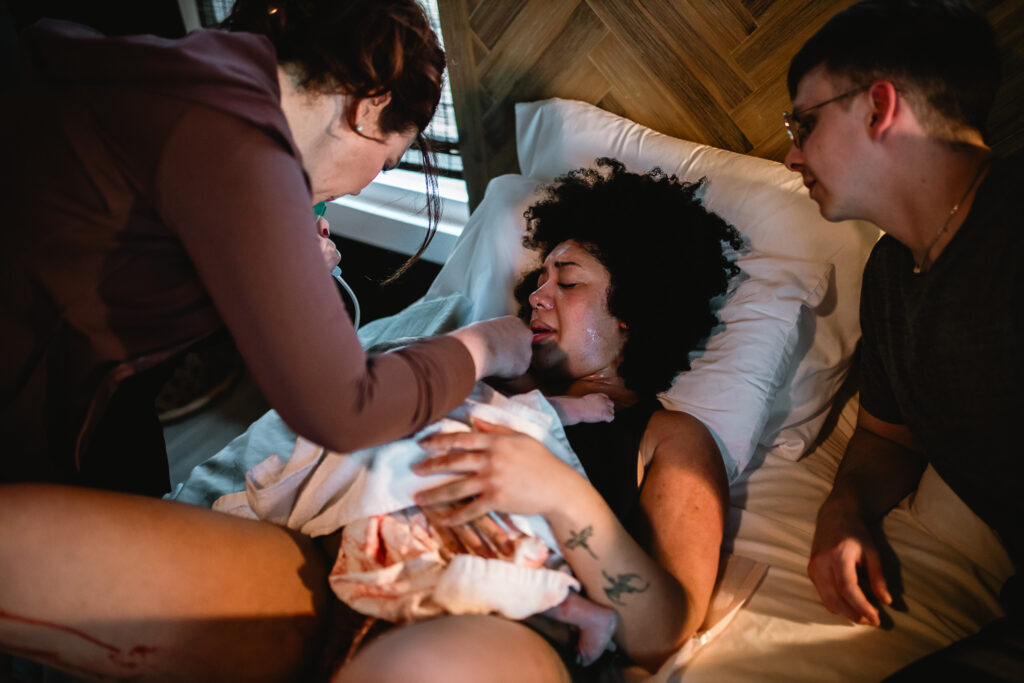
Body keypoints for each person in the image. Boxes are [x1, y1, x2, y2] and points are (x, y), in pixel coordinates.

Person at [0, 158, 741, 681]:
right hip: (324, 566)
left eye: (568, 280)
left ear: (639, 309)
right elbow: (338, 418)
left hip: (498, 622)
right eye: (537, 276)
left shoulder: (670, 439)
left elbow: (662, 629)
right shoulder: (472, 365)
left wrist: (555, 489)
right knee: (21, 541)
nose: (537, 294)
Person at [0, 0, 531, 497]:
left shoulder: (206, 72)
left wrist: (272, 268)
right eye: (388, 161)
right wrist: (484, 345)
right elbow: (347, 409)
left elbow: (144, 254)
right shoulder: (242, 154)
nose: (366, 185)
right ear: (371, 109)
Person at [782, 1, 1022, 678]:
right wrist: (844, 508)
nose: (792, 153)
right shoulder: (891, 272)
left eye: (804, 122)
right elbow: (888, 435)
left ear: (878, 106)